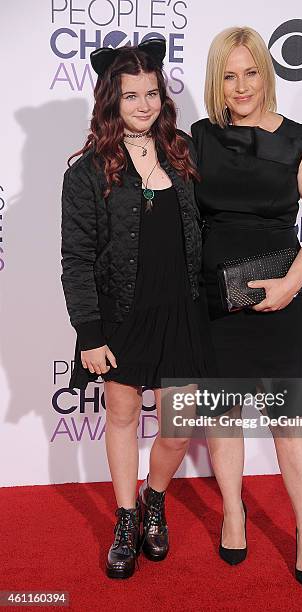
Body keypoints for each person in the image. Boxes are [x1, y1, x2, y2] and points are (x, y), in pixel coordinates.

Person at [61, 39, 215, 579]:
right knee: (122, 418)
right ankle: (126, 519)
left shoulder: (183, 152)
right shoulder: (86, 172)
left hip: (181, 311)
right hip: (121, 315)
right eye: (131, 96)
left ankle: (155, 499)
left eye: (152, 93)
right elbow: (76, 259)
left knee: (176, 430)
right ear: (111, 100)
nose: (144, 105)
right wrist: (89, 333)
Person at [191, 26, 302, 588]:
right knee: (223, 414)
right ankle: (233, 510)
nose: (242, 85)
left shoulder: (301, 141)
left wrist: (290, 285)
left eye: (251, 72)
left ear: (267, 74)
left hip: (281, 301)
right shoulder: (198, 139)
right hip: (214, 301)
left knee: (288, 421)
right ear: (217, 81)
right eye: (229, 75)